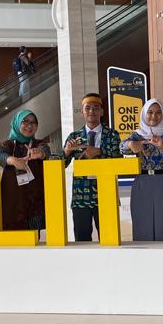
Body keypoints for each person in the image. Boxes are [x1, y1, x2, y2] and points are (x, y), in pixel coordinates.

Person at [63, 93, 122, 241]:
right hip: (81, 196)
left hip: (105, 193)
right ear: (82, 111)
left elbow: (119, 160)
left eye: (96, 108)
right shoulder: (74, 137)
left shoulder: (112, 135)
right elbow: (61, 163)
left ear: (102, 111)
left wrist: (99, 151)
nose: (91, 111)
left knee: (110, 240)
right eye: (87, 108)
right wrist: (66, 151)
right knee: (82, 241)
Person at [123, 99, 163, 241]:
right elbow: (122, 147)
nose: (154, 116)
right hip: (143, 183)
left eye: (158, 113)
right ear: (144, 114)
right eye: (150, 112)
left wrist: (162, 146)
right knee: (143, 222)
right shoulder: (136, 135)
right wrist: (131, 144)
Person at [0, 109, 52, 233]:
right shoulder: (7, 145)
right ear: (17, 123)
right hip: (12, 198)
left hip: (34, 199)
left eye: (33, 123)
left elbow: (46, 151)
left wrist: (40, 153)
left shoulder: (38, 144)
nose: (29, 126)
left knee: (33, 240)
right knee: (12, 239)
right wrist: (12, 160)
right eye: (25, 122)